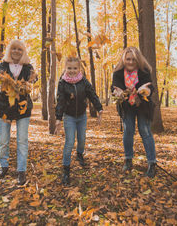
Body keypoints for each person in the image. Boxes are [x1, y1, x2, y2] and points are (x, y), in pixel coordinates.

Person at [55, 56, 103, 185]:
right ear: (66, 68)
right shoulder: (62, 82)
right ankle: (66, 170)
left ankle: (80, 154)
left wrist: (99, 108)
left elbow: (92, 94)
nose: (72, 70)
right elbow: (60, 101)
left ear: (79, 68)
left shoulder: (83, 81)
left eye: (75, 68)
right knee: (69, 142)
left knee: (82, 139)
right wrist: (58, 118)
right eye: (69, 68)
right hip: (69, 117)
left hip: (82, 116)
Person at [0, 39, 37, 186]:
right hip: (4, 108)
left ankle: (21, 171)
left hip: (22, 109)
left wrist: (31, 80)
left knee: (22, 140)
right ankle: (4, 166)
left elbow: (34, 78)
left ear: (23, 52)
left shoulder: (28, 67)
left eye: (20, 49)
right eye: (13, 48)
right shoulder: (3, 65)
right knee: (3, 141)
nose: (16, 51)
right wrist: (3, 78)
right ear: (9, 50)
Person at [111, 47, 157, 178]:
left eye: (133, 59)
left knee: (145, 130)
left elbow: (150, 87)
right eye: (128, 59)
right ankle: (128, 160)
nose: (130, 62)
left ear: (138, 60)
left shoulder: (144, 71)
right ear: (124, 59)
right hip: (127, 106)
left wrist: (144, 91)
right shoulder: (118, 72)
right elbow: (114, 87)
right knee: (128, 130)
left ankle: (152, 163)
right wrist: (117, 92)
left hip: (143, 105)